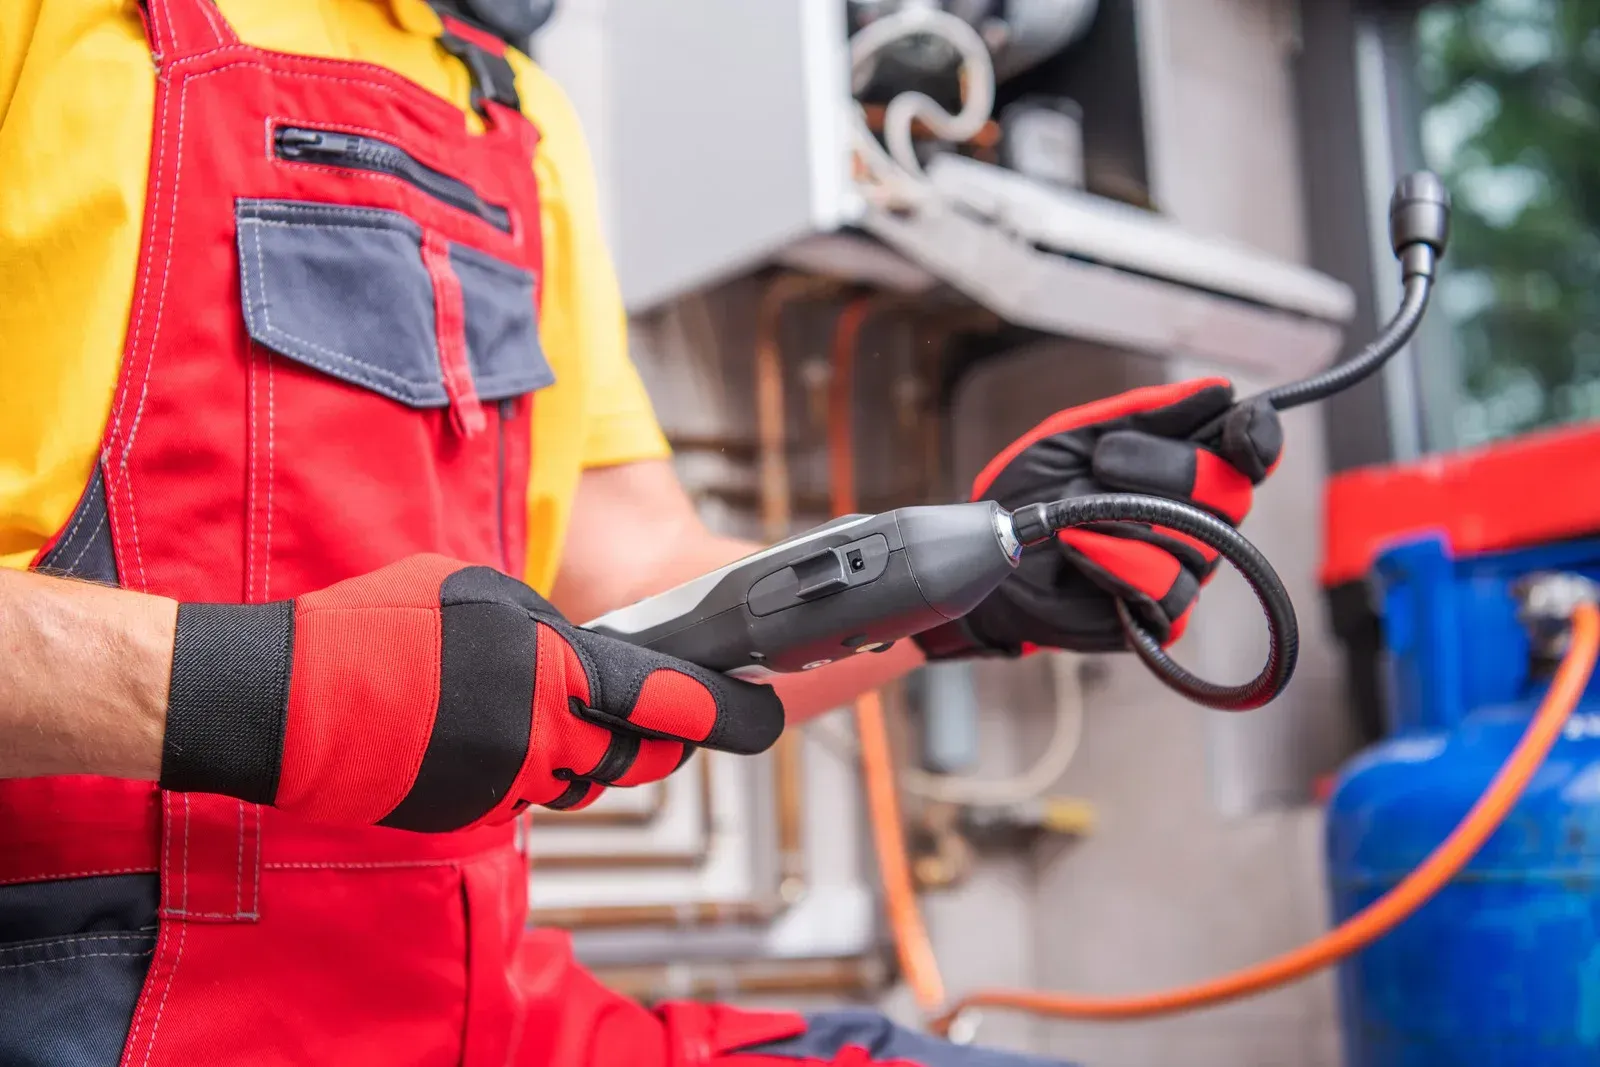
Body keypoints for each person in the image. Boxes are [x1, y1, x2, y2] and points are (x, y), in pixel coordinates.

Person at [0, 0, 1284, 1063]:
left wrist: (978, 584)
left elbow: (656, 599)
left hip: (481, 1010)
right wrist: (271, 692)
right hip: (77, 985)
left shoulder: (517, 114)